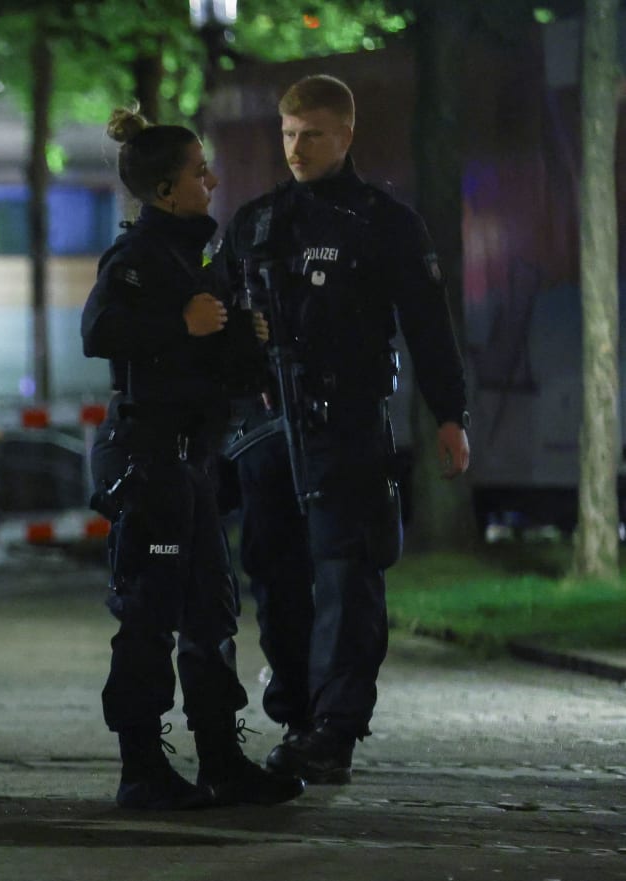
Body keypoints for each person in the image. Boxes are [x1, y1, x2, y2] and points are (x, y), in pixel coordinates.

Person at [214, 75, 470, 784]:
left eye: (312, 135)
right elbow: (218, 326)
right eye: (289, 134)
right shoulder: (256, 223)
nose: (296, 148)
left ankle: (335, 727)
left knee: (347, 575)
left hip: (349, 423)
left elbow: (428, 324)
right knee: (276, 574)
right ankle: (297, 712)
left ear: (346, 135)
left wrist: (451, 414)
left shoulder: (382, 223)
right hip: (267, 429)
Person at [81, 107, 302, 810]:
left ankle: (219, 760)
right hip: (152, 460)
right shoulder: (138, 256)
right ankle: (141, 768)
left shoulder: (203, 252)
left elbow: (213, 357)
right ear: (166, 190)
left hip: (195, 462)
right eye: (198, 170)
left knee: (210, 610)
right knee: (149, 612)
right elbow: (101, 330)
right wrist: (180, 322)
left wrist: (245, 335)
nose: (211, 178)